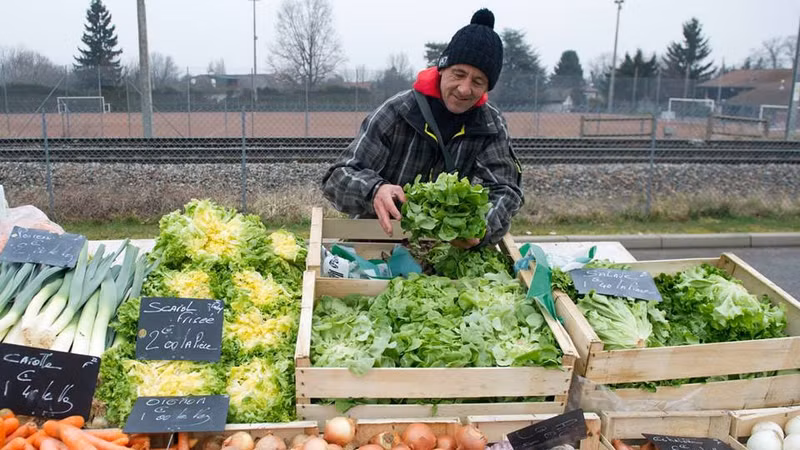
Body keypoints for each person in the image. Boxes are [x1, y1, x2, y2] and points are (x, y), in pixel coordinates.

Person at [321, 8, 523, 248]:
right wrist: (375, 190)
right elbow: (337, 177)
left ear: (487, 88)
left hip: (446, 252)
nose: (464, 89)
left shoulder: (490, 125)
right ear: (442, 69)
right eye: (458, 74)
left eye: (478, 82)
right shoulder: (398, 112)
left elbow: (506, 190)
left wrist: (480, 227)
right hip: (378, 243)